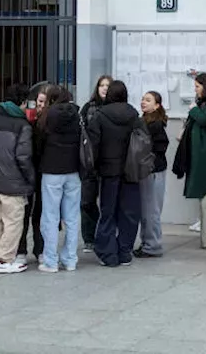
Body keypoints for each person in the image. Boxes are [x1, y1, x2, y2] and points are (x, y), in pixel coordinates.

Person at [86, 80, 143, 268]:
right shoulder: (134, 114)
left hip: (108, 170)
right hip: (130, 170)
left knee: (107, 212)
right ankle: (124, 251)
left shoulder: (100, 116)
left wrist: (92, 168)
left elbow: (93, 145)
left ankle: (108, 253)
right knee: (129, 212)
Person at [0, 83, 35, 273]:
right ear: (22, 102)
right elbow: (23, 157)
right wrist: (30, 179)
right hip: (14, 182)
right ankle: (6, 260)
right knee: (13, 221)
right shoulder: (22, 125)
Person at [36, 86, 81, 273]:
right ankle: (70, 259)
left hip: (52, 170)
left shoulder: (47, 116)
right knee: (71, 217)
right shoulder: (77, 115)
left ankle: (50, 261)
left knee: (50, 217)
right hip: (73, 170)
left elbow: (39, 144)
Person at [174, 72, 206, 232]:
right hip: (199, 150)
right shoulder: (205, 102)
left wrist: (194, 110)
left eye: (197, 86)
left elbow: (205, 119)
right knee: (200, 187)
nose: (195, 90)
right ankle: (202, 217)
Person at [134, 90, 169, 259]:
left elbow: (160, 147)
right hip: (149, 170)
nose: (143, 102)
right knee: (147, 210)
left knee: (150, 210)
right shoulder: (145, 121)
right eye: (143, 99)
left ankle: (152, 245)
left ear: (157, 105)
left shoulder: (155, 124)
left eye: (148, 100)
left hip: (153, 171)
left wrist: (148, 157)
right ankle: (147, 243)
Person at [79, 75, 112, 252]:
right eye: (101, 85)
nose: (104, 88)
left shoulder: (115, 108)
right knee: (87, 202)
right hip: (90, 161)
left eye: (108, 85)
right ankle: (89, 238)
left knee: (108, 202)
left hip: (108, 161)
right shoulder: (88, 108)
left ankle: (106, 236)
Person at [18, 86, 48, 260]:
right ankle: (21, 249)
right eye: (39, 101)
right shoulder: (26, 120)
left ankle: (40, 248)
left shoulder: (50, 121)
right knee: (24, 211)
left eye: (44, 102)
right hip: (27, 170)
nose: (41, 106)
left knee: (41, 212)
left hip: (44, 170)